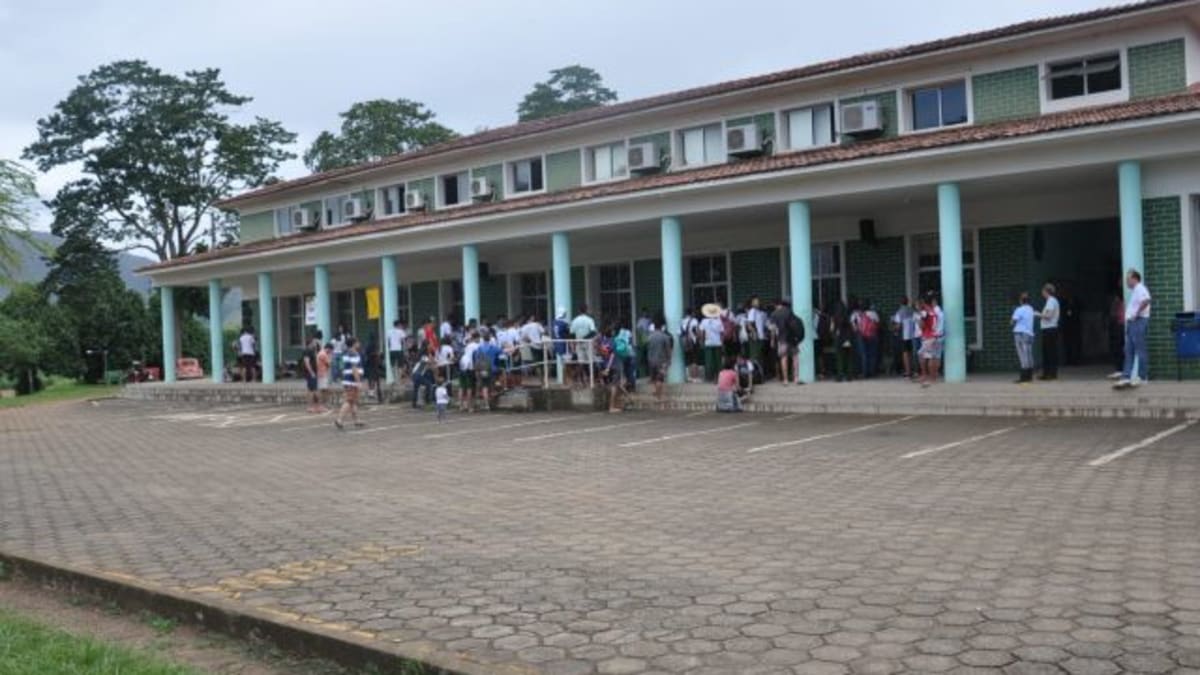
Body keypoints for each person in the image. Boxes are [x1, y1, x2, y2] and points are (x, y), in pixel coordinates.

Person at [1114, 269, 1151, 389]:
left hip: (1138, 321)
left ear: (1134, 279)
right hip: (1132, 323)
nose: (1126, 282)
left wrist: (1136, 313)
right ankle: (1126, 377)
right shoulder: (1136, 290)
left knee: (1140, 350)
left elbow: (1146, 300)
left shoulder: (1140, 288)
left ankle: (1142, 377)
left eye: (1128, 279)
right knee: (1128, 350)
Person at [334, 337, 363, 430]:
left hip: (347, 379)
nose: (359, 343)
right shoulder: (354, 353)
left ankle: (357, 420)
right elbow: (354, 369)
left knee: (353, 401)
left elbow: (344, 367)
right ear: (354, 344)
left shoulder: (346, 353)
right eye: (357, 342)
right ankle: (339, 420)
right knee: (349, 401)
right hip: (352, 381)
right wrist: (358, 381)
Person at [645, 314, 673, 408]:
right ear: (662, 326)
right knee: (660, 379)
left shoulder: (650, 337)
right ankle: (658, 396)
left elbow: (647, 348)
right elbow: (668, 350)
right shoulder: (665, 337)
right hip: (662, 361)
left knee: (654, 378)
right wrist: (669, 360)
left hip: (651, 360)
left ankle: (656, 393)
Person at [1012, 292, 1036, 384]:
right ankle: (1029, 375)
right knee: (1029, 354)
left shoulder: (1019, 309)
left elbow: (1013, 321)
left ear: (1021, 301)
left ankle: (1024, 377)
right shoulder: (1031, 309)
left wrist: (1012, 320)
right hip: (1029, 334)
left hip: (1020, 333)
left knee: (1022, 355)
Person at [474, 330, 500, 410]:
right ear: (490, 339)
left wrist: (477, 369)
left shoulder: (479, 348)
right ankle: (492, 403)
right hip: (492, 369)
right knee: (492, 386)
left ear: (483, 339)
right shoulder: (493, 348)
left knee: (484, 387)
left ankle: (486, 405)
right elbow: (502, 352)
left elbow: (476, 359)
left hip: (482, 369)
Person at [1039, 283, 1060, 380]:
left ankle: (1051, 373)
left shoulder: (1051, 301)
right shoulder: (1052, 301)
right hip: (1049, 329)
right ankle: (1047, 373)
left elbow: (1048, 315)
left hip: (1049, 329)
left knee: (1049, 352)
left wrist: (1037, 314)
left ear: (1046, 291)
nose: (1042, 293)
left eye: (1043, 291)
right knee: (1048, 351)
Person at [892, 298, 916, 379]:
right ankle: (912, 370)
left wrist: (894, 328)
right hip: (912, 335)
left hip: (904, 335)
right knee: (911, 353)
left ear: (900, 303)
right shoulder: (911, 311)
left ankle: (908, 372)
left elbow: (898, 326)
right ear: (907, 302)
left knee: (905, 354)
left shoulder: (899, 312)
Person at [699, 303, 724, 383]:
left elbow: (701, 333)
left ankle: (710, 377)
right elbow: (721, 333)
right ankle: (718, 377)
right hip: (718, 343)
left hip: (708, 343)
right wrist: (722, 343)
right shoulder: (719, 321)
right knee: (718, 361)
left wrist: (702, 341)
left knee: (709, 361)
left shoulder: (704, 321)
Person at [458, 332, 480, 412]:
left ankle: (461, 406)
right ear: (477, 338)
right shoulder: (477, 346)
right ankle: (470, 406)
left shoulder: (468, 345)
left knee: (461, 387)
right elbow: (476, 358)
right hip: (470, 367)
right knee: (470, 387)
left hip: (462, 364)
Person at [833, 304, 855, 383]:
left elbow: (833, 329)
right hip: (847, 339)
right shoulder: (847, 317)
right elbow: (851, 329)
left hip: (839, 339)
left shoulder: (835, 318)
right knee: (849, 358)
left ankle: (840, 375)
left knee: (840, 358)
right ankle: (849, 376)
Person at [302, 335, 321, 413]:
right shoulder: (307, 351)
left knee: (313, 389)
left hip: (313, 372)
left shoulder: (312, 351)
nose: (315, 343)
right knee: (312, 390)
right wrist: (312, 372)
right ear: (310, 343)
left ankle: (316, 406)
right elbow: (307, 362)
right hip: (310, 373)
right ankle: (311, 407)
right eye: (314, 342)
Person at [316, 342, 333, 410]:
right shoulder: (323, 354)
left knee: (324, 390)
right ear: (328, 348)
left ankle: (323, 405)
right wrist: (330, 357)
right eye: (331, 350)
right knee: (322, 390)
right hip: (322, 374)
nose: (331, 352)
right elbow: (329, 364)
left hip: (321, 373)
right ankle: (321, 405)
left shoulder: (321, 353)